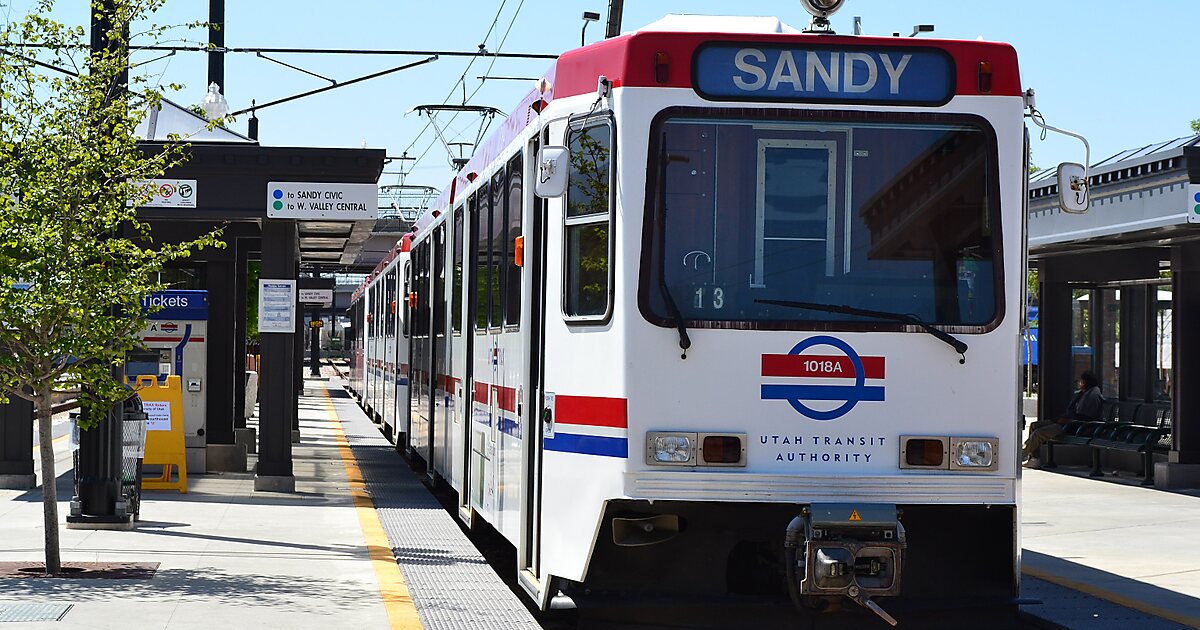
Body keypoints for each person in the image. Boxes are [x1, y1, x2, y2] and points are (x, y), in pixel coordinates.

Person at [1022, 371, 1102, 468]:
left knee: (1039, 433)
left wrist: (1065, 420)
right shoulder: (1083, 393)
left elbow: (1085, 417)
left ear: (1084, 382)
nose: (1078, 383)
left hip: (1073, 426)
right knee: (1035, 425)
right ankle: (1034, 458)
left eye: (1080, 381)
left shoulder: (1092, 396)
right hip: (1067, 421)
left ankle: (1022, 454)